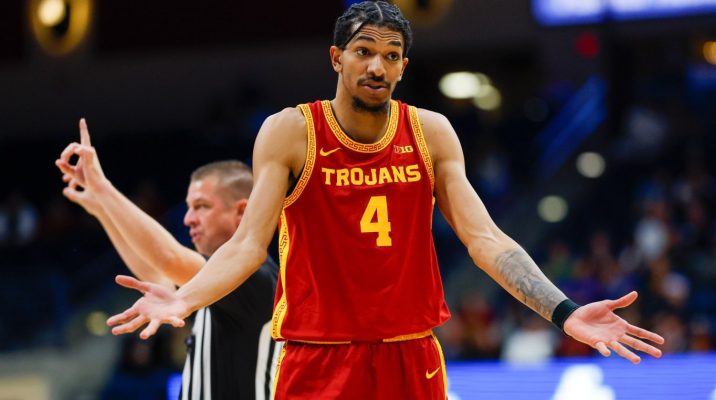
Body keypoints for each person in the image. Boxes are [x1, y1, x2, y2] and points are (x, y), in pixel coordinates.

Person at [59, 2, 665, 398]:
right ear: (337, 57)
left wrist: (564, 312)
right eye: (364, 51)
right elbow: (246, 246)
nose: (378, 66)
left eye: (391, 56)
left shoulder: (431, 132)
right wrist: (184, 297)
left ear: (403, 66)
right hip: (319, 357)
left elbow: (486, 240)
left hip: (410, 355)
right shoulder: (291, 132)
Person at [55, 133, 281, 400]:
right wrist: (103, 210)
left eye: (202, 206)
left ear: (241, 212)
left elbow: (168, 259)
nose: (188, 219)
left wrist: (104, 189)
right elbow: (156, 273)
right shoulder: (213, 288)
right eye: (188, 208)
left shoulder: (252, 275)